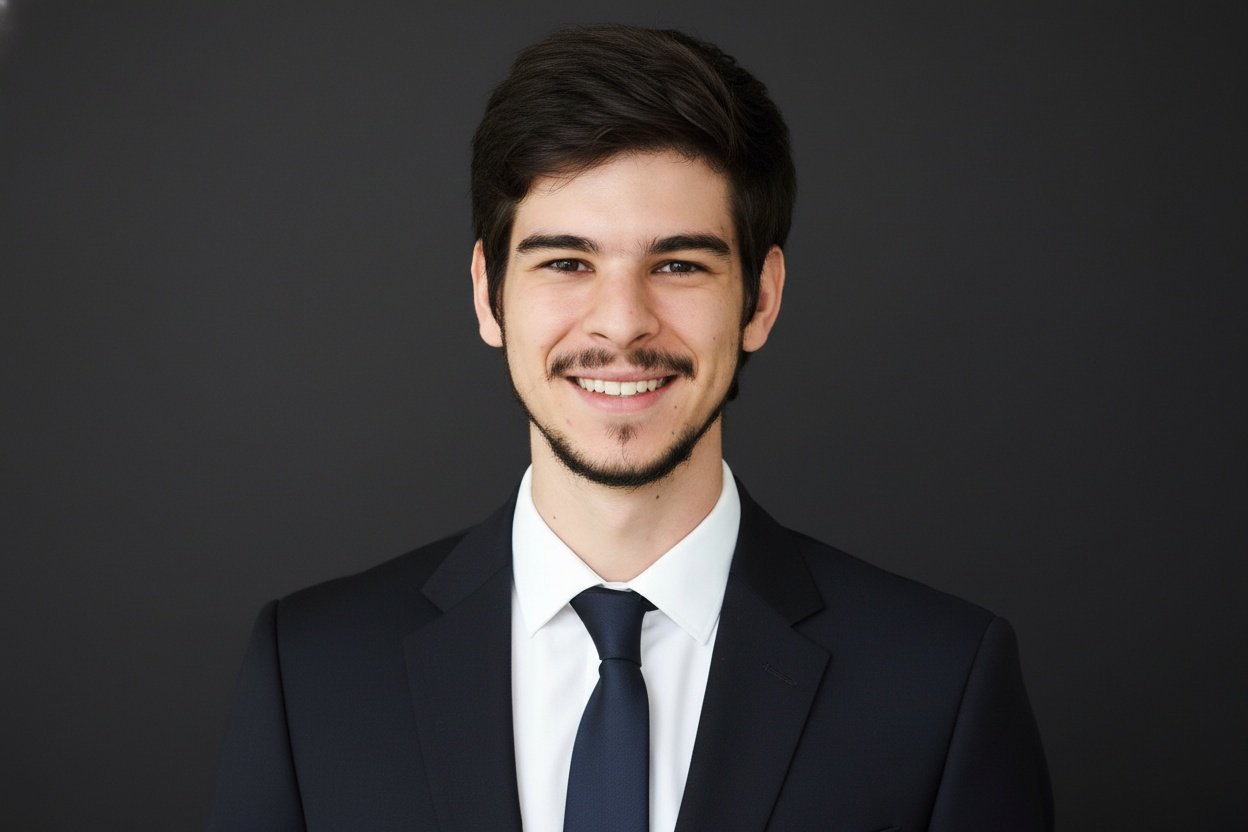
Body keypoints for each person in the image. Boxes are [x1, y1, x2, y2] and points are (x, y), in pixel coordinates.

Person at [206, 24, 1053, 832]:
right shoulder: (311, 673)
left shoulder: (940, 683)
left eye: (678, 264)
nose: (620, 324)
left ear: (761, 297)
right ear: (486, 292)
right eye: (566, 262)